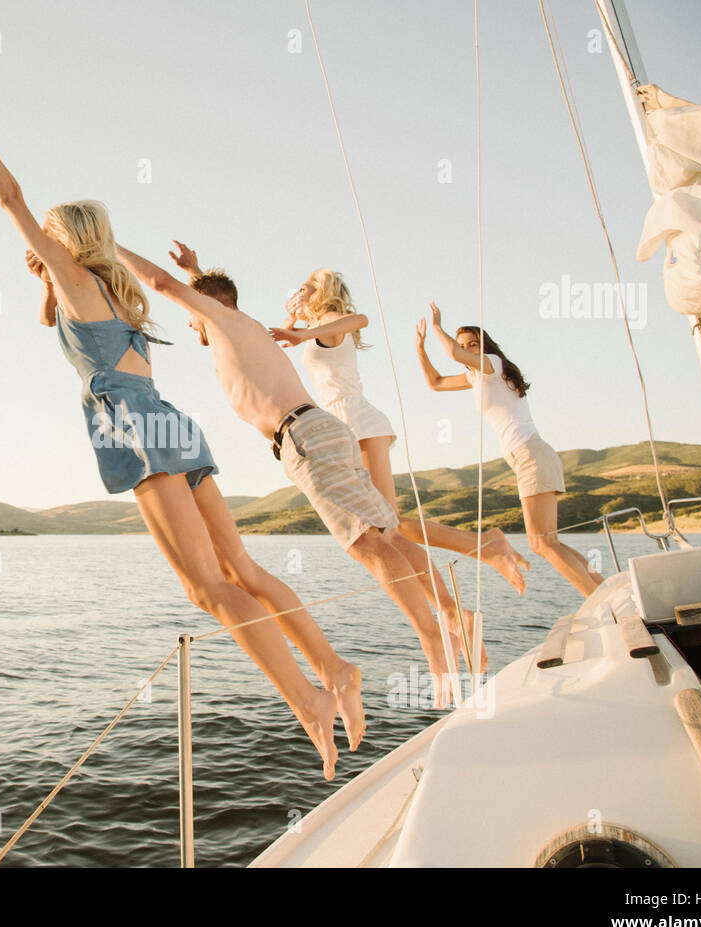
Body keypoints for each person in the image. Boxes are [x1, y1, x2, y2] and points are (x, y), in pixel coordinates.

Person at [0, 75, 366, 779]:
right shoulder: (103, 291)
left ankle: (309, 701)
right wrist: (44, 281)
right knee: (242, 569)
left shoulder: (83, 282)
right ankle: (335, 669)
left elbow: (9, 199)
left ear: (66, 242)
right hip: (171, 422)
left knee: (207, 588)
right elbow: (52, 319)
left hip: (134, 426)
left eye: (50, 244)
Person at [115, 241, 474, 708]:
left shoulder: (224, 320)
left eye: (191, 309)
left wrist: (112, 245)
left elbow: (169, 288)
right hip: (323, 429)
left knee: (366, 541)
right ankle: (449, 615)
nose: (187, 320)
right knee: (387, 531)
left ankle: (433, 639)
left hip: (305, 436)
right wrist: (199, 271)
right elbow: (215, 295)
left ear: (207, 305)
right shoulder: (240, 326)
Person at [172, 247, 529, 665]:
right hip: (343, 425)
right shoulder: (304, 327)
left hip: (352, 424)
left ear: (320, 293)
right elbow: (226, 317)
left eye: (305, 287)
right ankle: (465, 590)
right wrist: (199, 275)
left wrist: (303, 330)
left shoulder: (327, 325)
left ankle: (482, 557)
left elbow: (356, 320)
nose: (295, 292)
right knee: (392, 529)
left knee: (385, 532)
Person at [416, 305, 602, 597]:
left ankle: (598, 598)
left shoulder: (492, 364)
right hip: (528, 456)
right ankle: (604, 591)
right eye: (463, 345)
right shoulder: (476, 377)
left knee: (541, 543)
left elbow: (453, 354)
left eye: (472, 344)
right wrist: (420, 347)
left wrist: (439, 328)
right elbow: (435, 383)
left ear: (485, 346)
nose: (466, 350)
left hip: (530, 453)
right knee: (548, 541)